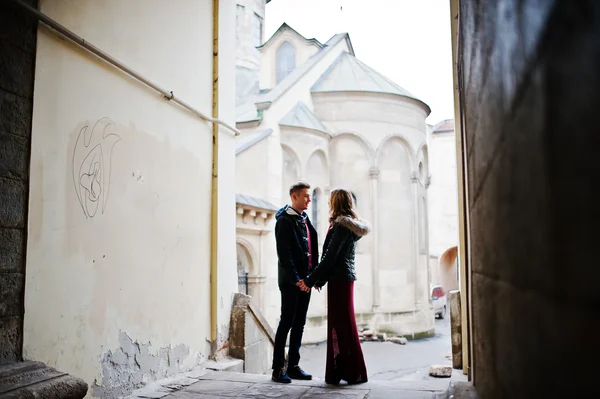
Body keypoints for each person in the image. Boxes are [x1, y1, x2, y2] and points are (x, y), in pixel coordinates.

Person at [298, 188, 370, 385]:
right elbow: (332, 258)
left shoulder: (342, 226)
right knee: (342, 324)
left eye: (331, 201)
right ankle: (344, 370)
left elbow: (331, 257)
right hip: (342, 278)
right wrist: (320, 280)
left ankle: (351, 372)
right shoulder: (345, 225)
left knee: (343, 324)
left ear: (335, 203)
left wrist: (311, 280)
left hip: (340, 279)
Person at [271, 182, 319, 383]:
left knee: (299, 324)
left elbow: (312, 246)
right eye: (306, 196)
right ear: (294, 197)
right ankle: (278, 369)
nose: (309, 199)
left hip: (306, 281)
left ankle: (293, 366)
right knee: (286, 323)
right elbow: (285, 254)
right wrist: (297, 279)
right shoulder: (284, 221)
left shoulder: (304, 218)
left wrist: (313, 277)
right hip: (292, 282)